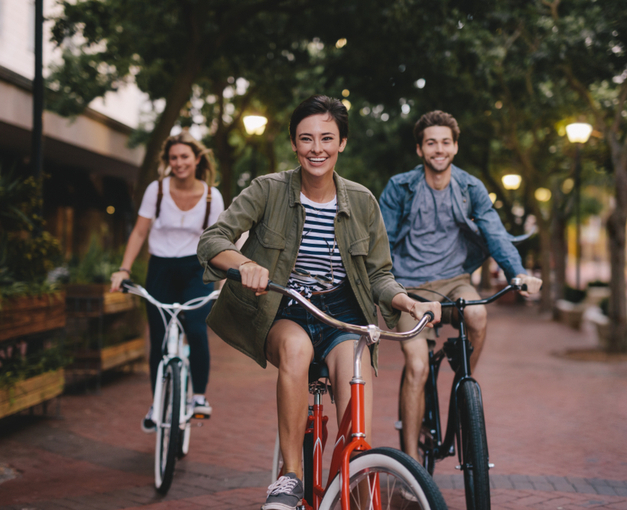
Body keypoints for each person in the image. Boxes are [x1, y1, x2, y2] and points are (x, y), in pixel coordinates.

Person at [197, 95, 441, 510]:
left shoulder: (362, 201)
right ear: (294, 143)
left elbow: (380, 274)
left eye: (327, 138)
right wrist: (244, 264)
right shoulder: (268, 189)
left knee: (353, 394)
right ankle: (290, 477)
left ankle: (357, 478)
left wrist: (407, 301)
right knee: (297, 348)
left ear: (342, 142)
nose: (317, 148)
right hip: (285, 307)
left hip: (343, 313)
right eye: (306, 138)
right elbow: (212, 241)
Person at [379, 110, 542, 464]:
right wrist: (388, 289)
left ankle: (461, 386)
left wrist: (518, 273)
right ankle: (410, 466)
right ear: (420, 150)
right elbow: (383, 244)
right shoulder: (400, 187)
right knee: (418, 367)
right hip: (410, 288)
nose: (439, 149)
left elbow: (496, 235)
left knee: (480, 315)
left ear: (455, 147)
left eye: (445, 142)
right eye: (431, 143)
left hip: (455, 281)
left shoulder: (470, 188)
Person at [109, 131, 224, 432]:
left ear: (197, 159)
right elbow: (139, 232)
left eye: (184, 156)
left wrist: (224, 281)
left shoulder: (212, 195)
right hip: (160, 269)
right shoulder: (156, 190)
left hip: (196, 269)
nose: (179, 163)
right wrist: (124, 269)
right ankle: (157, 402)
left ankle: (198, 396)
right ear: (168, 161)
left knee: (197, 329)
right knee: (158, 339)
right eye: (173, 158)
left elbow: (221, 241)